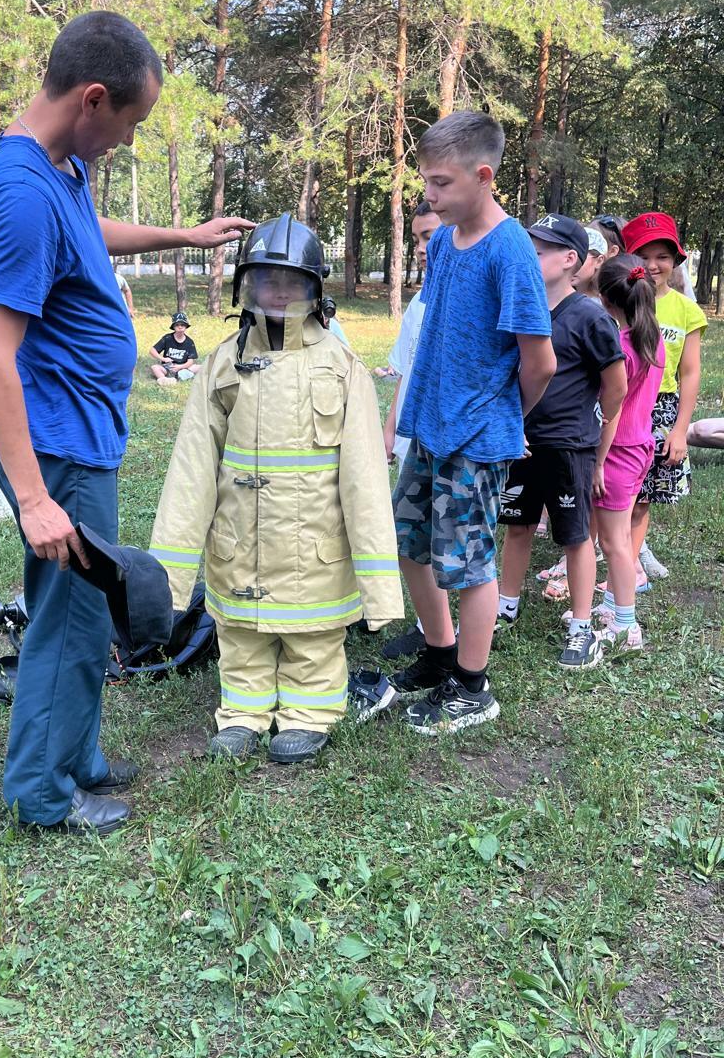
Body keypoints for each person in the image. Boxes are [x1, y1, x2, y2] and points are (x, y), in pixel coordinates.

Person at [0, 10, 252, 837]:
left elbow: (86, 236)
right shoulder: (22, 192)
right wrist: (34, 498)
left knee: (84, 607)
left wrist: (181, 234)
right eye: (130, 124)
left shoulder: (57, 169)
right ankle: (42, 792)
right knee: (72, 614)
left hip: (81, 434)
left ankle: (79, 755)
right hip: (54, 445)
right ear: (93, 99)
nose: (127, 142)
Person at [149, 214, 404, 764]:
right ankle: (242, 713)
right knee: (240, 640)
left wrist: (381, 587)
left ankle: (309, 713)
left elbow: (365, 478)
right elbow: (190, 474)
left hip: (316, 548)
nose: (279, 293)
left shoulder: (342, 367)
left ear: (315, 290)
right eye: (267, 281)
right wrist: (165, 580)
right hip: (239, 542)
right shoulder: (222, 364)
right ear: (247, 287)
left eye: (292, 282)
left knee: (313, 641)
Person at [391, 111, 555, 733]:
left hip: (477, 437)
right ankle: (439, 654)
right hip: (430, 427)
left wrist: (504, 416)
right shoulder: (442, 241)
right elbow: (435, 329)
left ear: (483, 177)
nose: (428, 196)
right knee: (412, 544)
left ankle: (472, 685)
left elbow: (539, 360)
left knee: (470, 563)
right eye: (425, 183)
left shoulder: (511, 250)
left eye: (439, 183)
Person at [496, 216, 626, 669]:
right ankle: (504, 607)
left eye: (538, 251)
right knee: (517, 526)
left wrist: (594, 438)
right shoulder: (521, 309)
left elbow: (616, 385)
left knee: (574, 538)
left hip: (569, 447)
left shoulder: (589, 316)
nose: (528, 259)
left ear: (569, 259)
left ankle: (581, 628)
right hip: (522, 444)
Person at [623, 212, 706, 582]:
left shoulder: (686, 309)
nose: (653, 265)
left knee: (641, 498)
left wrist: (680, 429)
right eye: (643, 256)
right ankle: (584, 560)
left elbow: (689, 373)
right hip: (618, 404)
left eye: (663, 257)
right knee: (607, 491)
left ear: (675, 262)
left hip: (660, 409)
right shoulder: (618, 302)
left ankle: (628, 569)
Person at [587, 256, 665, 650]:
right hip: (641, 448)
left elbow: (611, 412)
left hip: (617, 452)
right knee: (617, 537)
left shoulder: (619, 348)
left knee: (614, 543)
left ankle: (626, 624)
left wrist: (598, 461)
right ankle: (609, 604)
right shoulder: (652, 340)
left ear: (604, 299)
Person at [379, 201, 442, 660]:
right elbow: (404, 370)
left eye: (430, 235)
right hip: (412, 437)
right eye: (417, 238)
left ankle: (444, 638)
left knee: (441, 544)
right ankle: (430, 628)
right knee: (409, 537)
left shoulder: (466, 296)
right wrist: (389, 428)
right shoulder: (419, 302)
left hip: (448, 440)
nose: (422, 248)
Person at [150, 312, 199, 384]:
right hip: (168, 367)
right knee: (155, 367)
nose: (180, 327)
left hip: (183, 367)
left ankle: (182, 375)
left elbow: (190, 361)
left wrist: (180, 367)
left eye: (182, 325)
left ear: (186, 326)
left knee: (199, 367)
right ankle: (163, 379)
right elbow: (152, 350)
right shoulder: (167, 338)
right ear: (173, 327)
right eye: (177, 325)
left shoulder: (189, 342)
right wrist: (163, 359)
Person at [572, 227, 609, 299]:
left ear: (599, 261)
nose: (571, 264)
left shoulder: (606, 304)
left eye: (580, 257)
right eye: (568, 257)